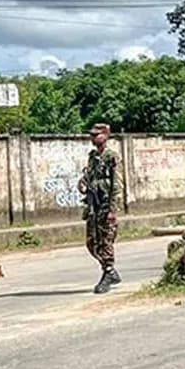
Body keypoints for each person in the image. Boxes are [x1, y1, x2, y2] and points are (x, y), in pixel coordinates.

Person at [80, 123, 124, 294]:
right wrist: (83, 183)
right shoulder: (92, 157)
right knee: (91, 242)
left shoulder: (112, 156)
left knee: (105, 240)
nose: (93, 138)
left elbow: (117, 184)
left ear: (105, 136)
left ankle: (107, 272)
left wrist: (113, 210)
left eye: (96, 135)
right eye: (91, 135)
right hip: (93, 205)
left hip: (106, 205)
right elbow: (89, 176)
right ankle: (110, 271)